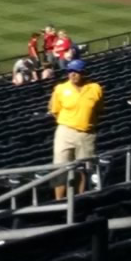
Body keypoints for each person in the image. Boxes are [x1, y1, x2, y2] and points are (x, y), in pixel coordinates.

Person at [48, 62, 103, 197]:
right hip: (65, 132)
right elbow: (55, 111)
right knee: (60, 169)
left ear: (83, 73)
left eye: (76, 71)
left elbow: (99, 110)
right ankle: (59, 202)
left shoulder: (95, 88)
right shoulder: (60, 89)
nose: (72, 74)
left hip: (86, 133)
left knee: (83, 169)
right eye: (70, 71)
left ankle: (80, 199)